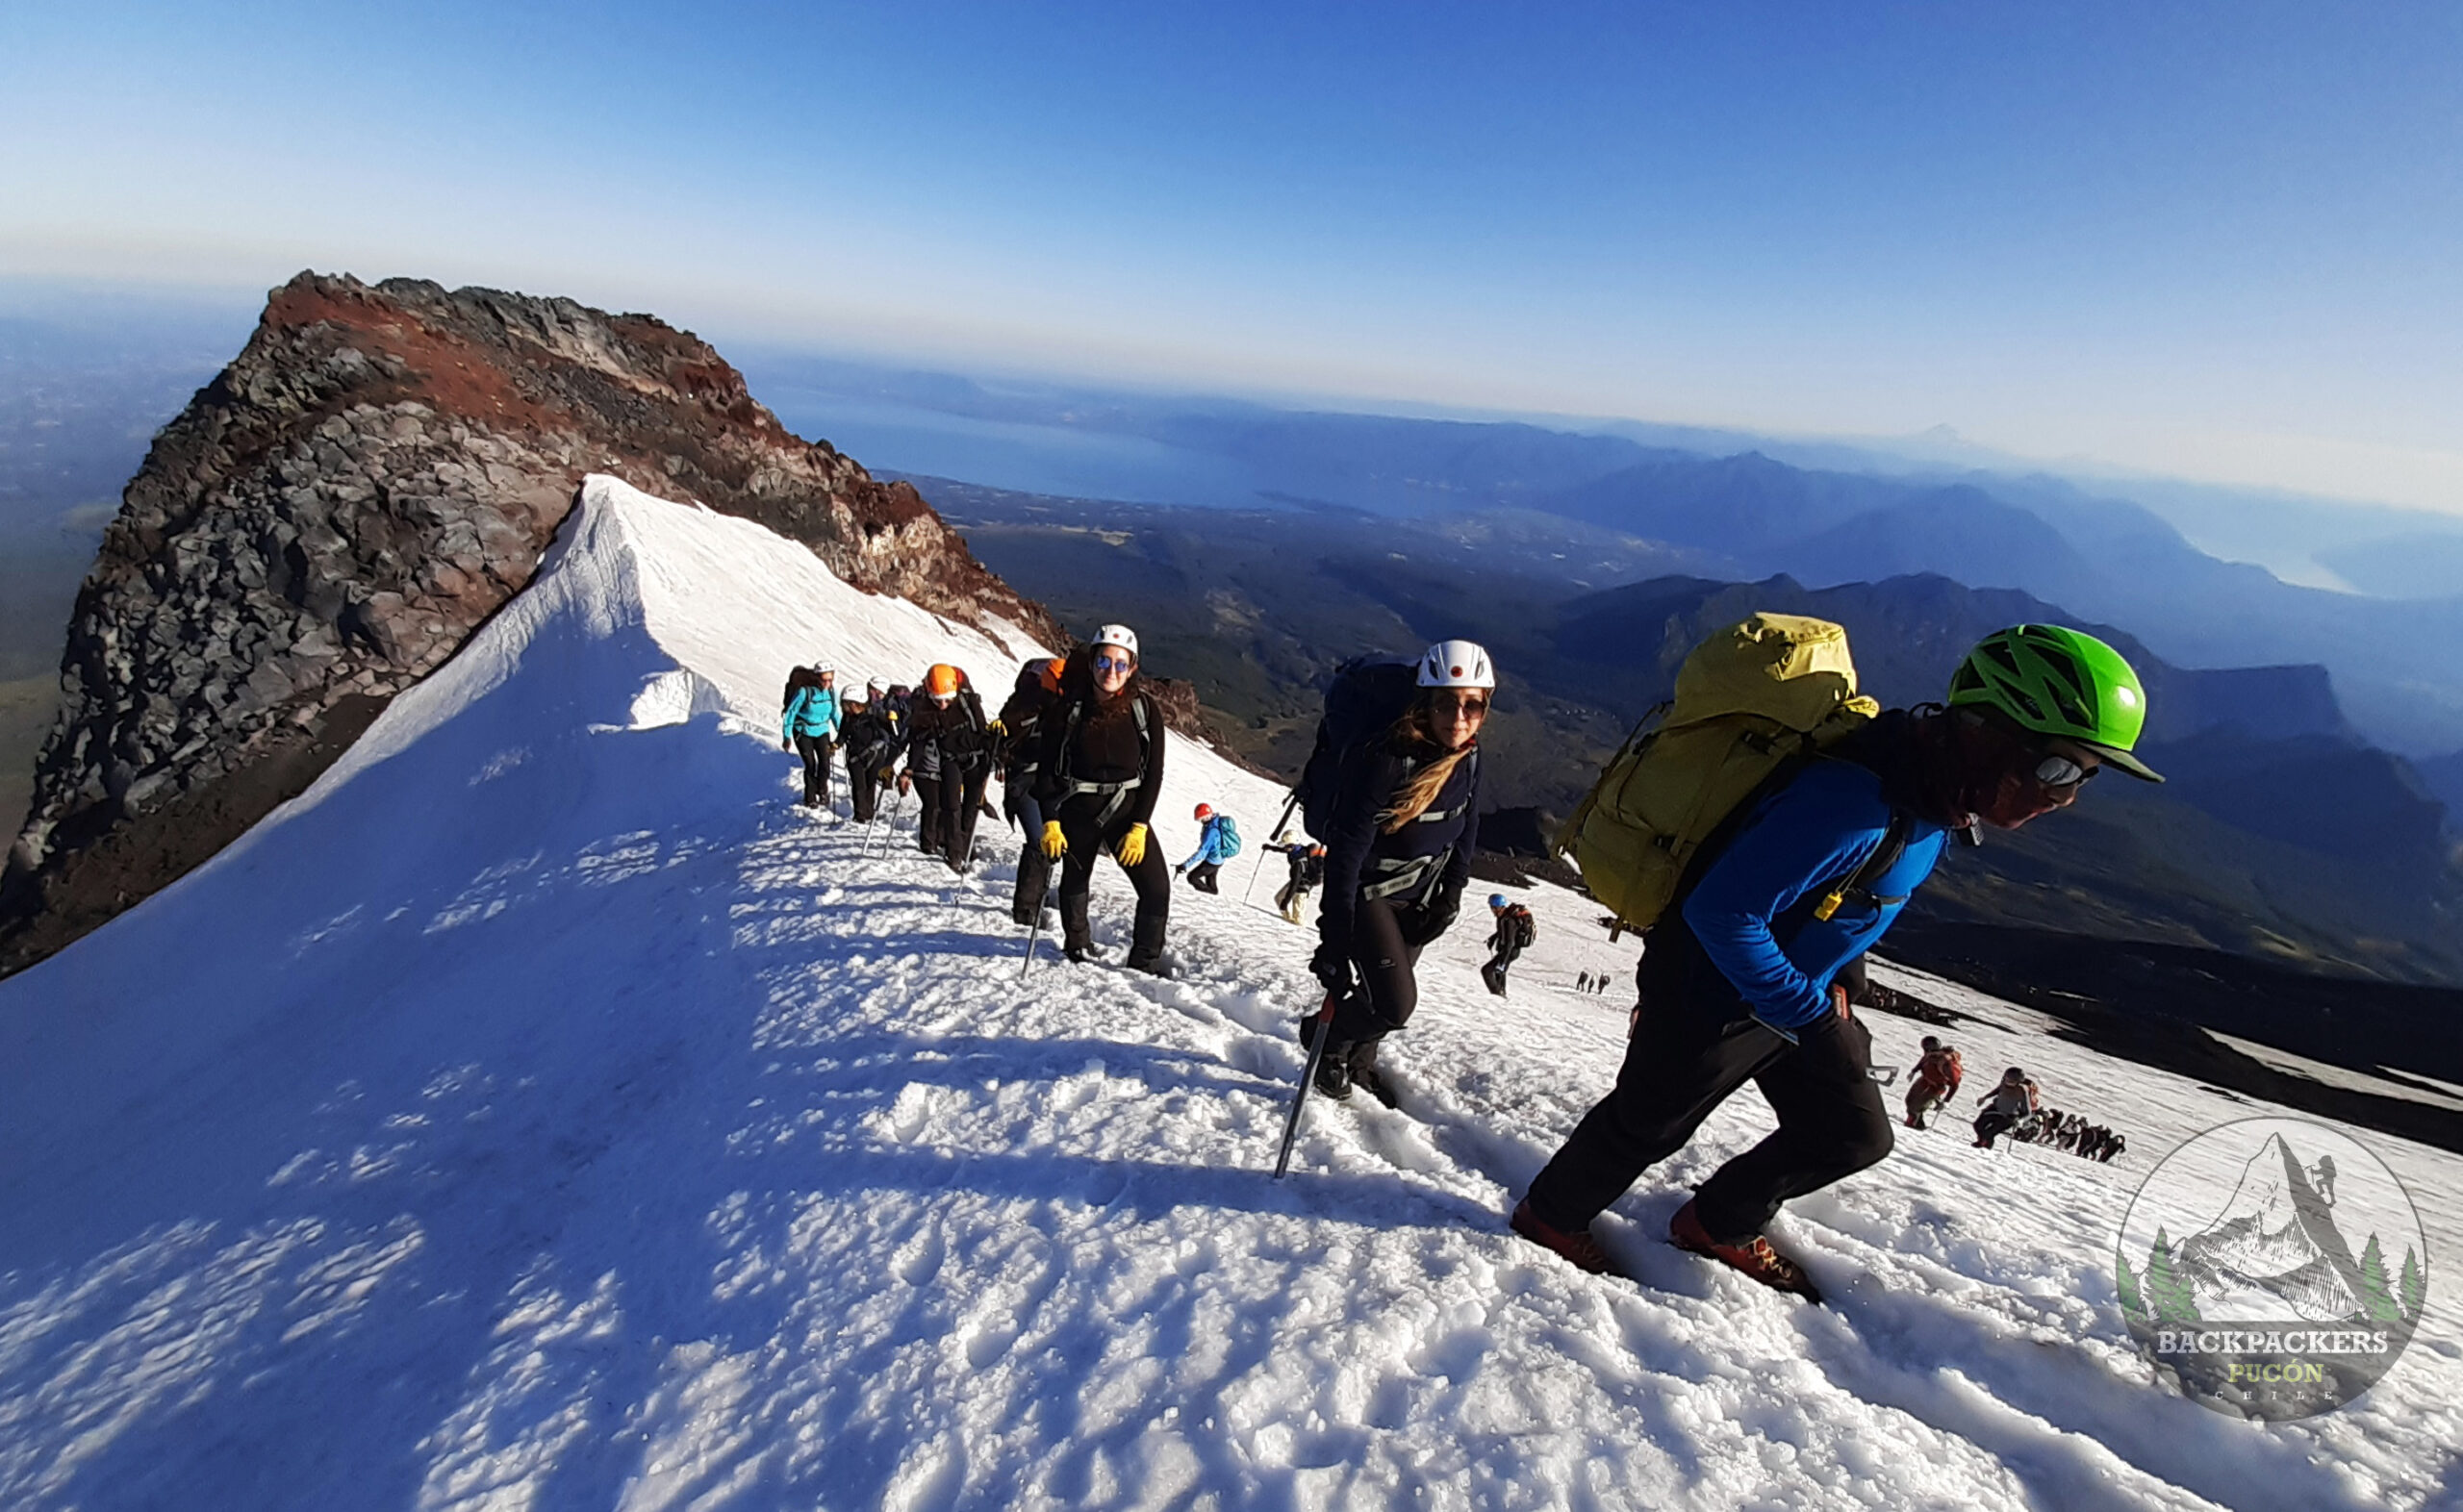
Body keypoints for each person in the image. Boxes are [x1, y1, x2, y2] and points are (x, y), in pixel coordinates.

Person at [1512, 624, 2165, 1297]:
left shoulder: (1935, 797)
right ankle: (1551, 1217)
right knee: (1647, 1123)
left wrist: (1838, 992)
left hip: (1798, 997)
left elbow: (1847, 900)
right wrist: (1814, 1019)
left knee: (1850, 1133)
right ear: (1991, 728)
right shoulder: (1851, 803)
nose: (2065, 795)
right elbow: (1722, 914)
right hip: (1706, 988)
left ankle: (1718, 1222)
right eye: (2057, 768)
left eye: (2087, 776)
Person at [1307, 640, 1494, 1106]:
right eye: (1447, 704)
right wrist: (1334, 937)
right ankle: (1322, 1039)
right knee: (1394, 1003)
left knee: (1382, 993)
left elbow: (1465, 828)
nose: (1458, 718)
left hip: (1420, 892)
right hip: (1371, 893)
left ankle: (1358, 1063)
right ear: (1425, 702)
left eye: (1473, 705)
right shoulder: (1388, 759)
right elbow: (1347, 854)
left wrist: (1450, 896)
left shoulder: (1468, 755)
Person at [1033, 625, 1170, 972]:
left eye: (1121, 665)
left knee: (1156, 888)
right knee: (1076, 879)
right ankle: (1076, 946)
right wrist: (1050, 820)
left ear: (1132, 668)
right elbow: (1047, 769)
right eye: (1104, 662)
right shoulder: (1068, 711)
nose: (1111, 671)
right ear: (1092, 661)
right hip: (1079, 810)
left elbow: (1153, 772)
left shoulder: (1144, 709)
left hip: (1126, 812)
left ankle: (1144, 963)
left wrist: (1140, 825)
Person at [999, 657, 1068, 926]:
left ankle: (1034, 900)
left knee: (1046, 842)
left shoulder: (1035, 707)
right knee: (1040, 841)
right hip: (1028, 781)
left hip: (1032, 780)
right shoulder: (1029, 708)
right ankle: (1026, 909)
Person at [905, 664, 991, 871]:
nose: (942, 704)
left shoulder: (967, 701)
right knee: (951, 806)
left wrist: (994, 760)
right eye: (937, 700)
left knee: (970, 807)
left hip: (976, 759)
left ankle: (962, 849)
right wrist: (909, 769)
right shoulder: (925, 710)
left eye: (946, 699)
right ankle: (954, 854)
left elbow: (982, 731)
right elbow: (918, 740)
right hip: (950, 759)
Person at [837, 680, 904, 825]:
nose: (846, 708)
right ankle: (860, 814)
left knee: (870, 783)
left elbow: (890, 733)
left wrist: (890, 718)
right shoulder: (848, 718)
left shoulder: (873, 715)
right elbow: (842, 734)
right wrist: (836, 744)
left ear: (856, 703)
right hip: (856, 756)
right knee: (859, 784)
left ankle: (869, 811)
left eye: (849, 704)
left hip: (874, 755)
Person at [781, 664, 842, 810]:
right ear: (816, 678)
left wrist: (842, 732)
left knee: (825, 763)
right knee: (810, 764)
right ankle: (810, 798)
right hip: (802, 731)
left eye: (830, 680)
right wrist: (787, 736)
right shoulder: (804, 692)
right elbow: (791, 712)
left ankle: (822, 790)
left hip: (822, 730)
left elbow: (834, 712)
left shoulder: (832, 692)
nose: (827, 683)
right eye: (824, 680)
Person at [1481, 894, 1536, 996]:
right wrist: (1492, 939)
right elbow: (1502, 932)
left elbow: (1510, 941)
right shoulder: (1504, 917)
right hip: (1509, 951)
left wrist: (1503, 960)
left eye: (1492, 907)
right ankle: (1501, 995)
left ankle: (1497, 996)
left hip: (1510, 951)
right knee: (1499, 974)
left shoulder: (1508, 920)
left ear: (1496, 907)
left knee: (1487, 971)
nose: (1491, 910)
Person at [1904, 1035, 1963, 1129]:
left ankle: (1914, 1124)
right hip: (1925, 1080)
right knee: (1910, 1100)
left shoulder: (1944, 1061)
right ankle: (1916, 1120)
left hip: (1935, 1086)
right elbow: (1923, 1061)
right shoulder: (1931, 1055)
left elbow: (1954, 1083)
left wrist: (1947, 1101)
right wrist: (1914, 1071)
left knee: (1917, 1105)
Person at [1177, 804, 1238, 894]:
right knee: (1211, 885)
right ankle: (1213, 896)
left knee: (1192, 878)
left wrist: (1185, 865)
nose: (1201, 822)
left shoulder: (1211, 831)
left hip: (1212, 861)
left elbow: (1202, 852)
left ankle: (1205, 899)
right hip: (1219, 859)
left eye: (1200, 819)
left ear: (1204, 818)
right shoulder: (1216, 823)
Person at [1973, 1068, 2042, 1148]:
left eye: (2011, 1081)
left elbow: (2028, 1112)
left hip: (2009, 1116)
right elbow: (1997, 1091)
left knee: (1989, 1132)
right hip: (1996, 1109)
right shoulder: (2003, 1084)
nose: (2008, 1082)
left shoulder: (2021, 1090)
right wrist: (1985, 1098)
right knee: (1977, 1125)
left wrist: (2021, 1120)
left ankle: (1984, 1145)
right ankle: (1984, 1142)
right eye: (2007, 1079)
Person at [1269, 841, 1326, 923]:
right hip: (1300, 880)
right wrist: (1270, 847)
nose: (1284, 848)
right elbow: (1284, 849)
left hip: (1304, 884)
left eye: (1286, 846)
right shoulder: (1298, 851)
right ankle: (1288, 919)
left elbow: (1294, 885)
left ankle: (1296, 929)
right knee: (1279, 898)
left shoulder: (1300, 862)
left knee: (1298, 918)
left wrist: (1285, 903)